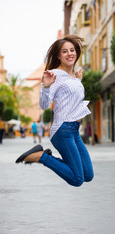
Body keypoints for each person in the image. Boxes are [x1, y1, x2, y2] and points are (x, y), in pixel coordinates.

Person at [15, 35, 94, 187]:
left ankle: (46, 156)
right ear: (58, 55)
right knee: (77, 179)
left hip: (74, 131)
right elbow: (44, 105)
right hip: (63, 131)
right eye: (64, 51)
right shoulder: (55, 75)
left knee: (87, 175)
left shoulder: (71, 76)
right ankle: (42, 157)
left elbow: (70, 98)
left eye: (72, 50)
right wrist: (45, 87)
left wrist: (77, 81)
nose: (70, 53)